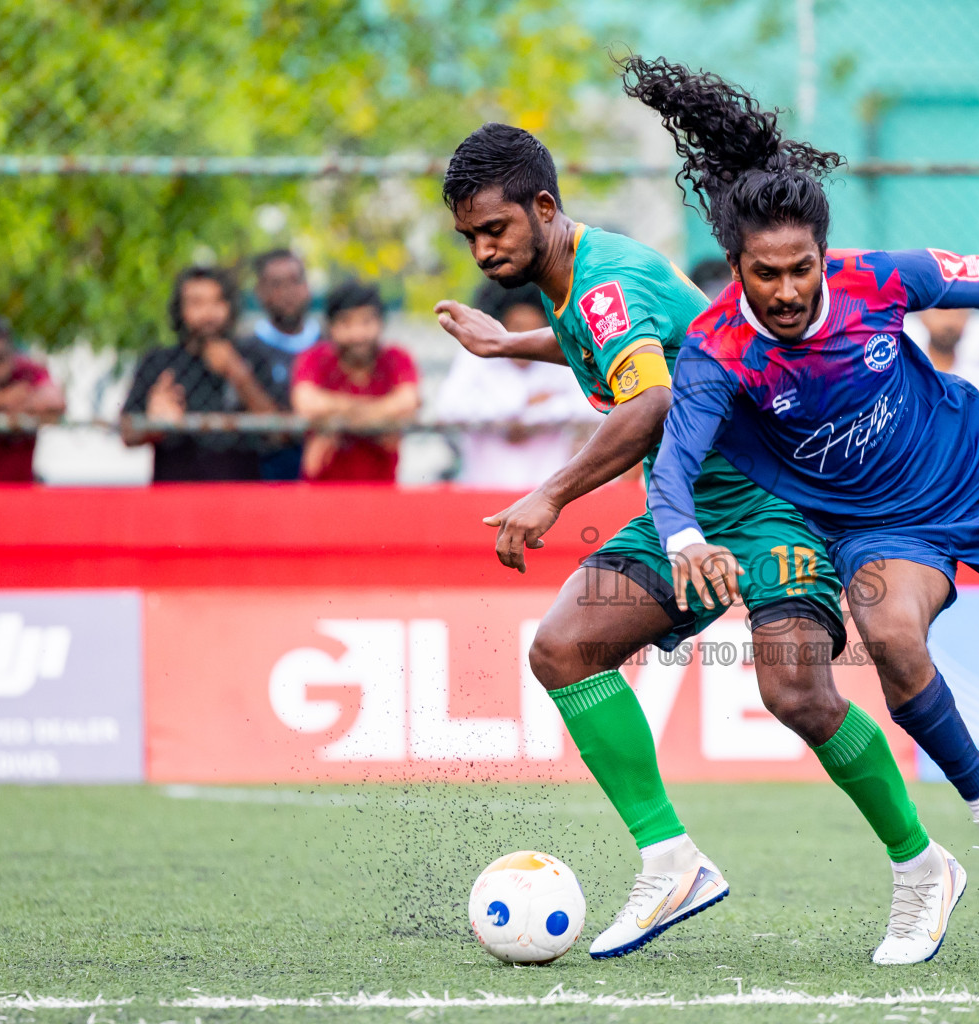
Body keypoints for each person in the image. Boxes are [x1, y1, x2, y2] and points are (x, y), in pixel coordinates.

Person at [626, 57, 979, 965]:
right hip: (877, 527)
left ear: (825, 256)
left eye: (800, 269)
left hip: (976, 478)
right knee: (892, 635)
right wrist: (686, 536)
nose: (784, 291)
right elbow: (673, 467)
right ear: (735, 266)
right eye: (763, 274)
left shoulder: (878, 280)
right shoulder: (715, 353)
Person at [434, 119, 942, 964]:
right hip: (689, 513)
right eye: (471, 237)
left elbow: (652, 401)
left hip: (775, 501)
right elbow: (618, 349)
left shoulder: (603, 283)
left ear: (545, 207)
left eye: (496, 229)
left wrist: (549, 494)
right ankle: (672, 861)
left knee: (797, 696)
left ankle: (923, 868)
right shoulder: (581, 281)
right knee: (564, 649)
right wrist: (512, 343)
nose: (484, 251)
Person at [122, 266, 290, 482]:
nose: (209, 314)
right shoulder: (159, 362)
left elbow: (283, 433)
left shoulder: (253, 357)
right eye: (197, 303)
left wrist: (240, 377)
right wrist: (154, 424)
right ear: (180, 310)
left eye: (218, 301)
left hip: (241, 499)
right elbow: (127, 434)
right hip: (176, 498)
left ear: (230, 306)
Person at [434, 282, 600, 488]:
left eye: (534, 329)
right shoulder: (475, 357)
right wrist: (517, 405)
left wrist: (535, 415)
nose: (524, 338)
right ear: (501, 325)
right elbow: (446, 407)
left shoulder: (562, 359)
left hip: (546, 490)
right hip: (482, 487)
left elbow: (594, 406)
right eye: (518, 328)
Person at [291, 280, 419, 483]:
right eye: (346, 323)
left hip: (381, 492)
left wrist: (334, 421)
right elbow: (306, 404)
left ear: (381, 323)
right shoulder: (314, 359)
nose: (358, 334)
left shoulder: (396, 358)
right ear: (331, 327)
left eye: (366, 322)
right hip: (322, 491)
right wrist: (378, 422)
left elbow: (407, 402)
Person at [0, 314, 65, 483]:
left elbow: (55, 401)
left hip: (18, 490)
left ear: (12, 356)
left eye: (0, 359)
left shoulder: (26, 371)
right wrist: (1, 400)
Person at [249, 249, 321, 480]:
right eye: (276, 284)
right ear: (260, 292)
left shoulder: (331, 345)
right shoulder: (244, 352)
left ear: (307, 287)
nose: (288, 292)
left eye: (295, 281)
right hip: (264, 482)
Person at [915, 307, 979, 404]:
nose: (949, 322)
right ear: (923, 317)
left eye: (958, 314)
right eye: (941, 314)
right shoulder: (905, 373)